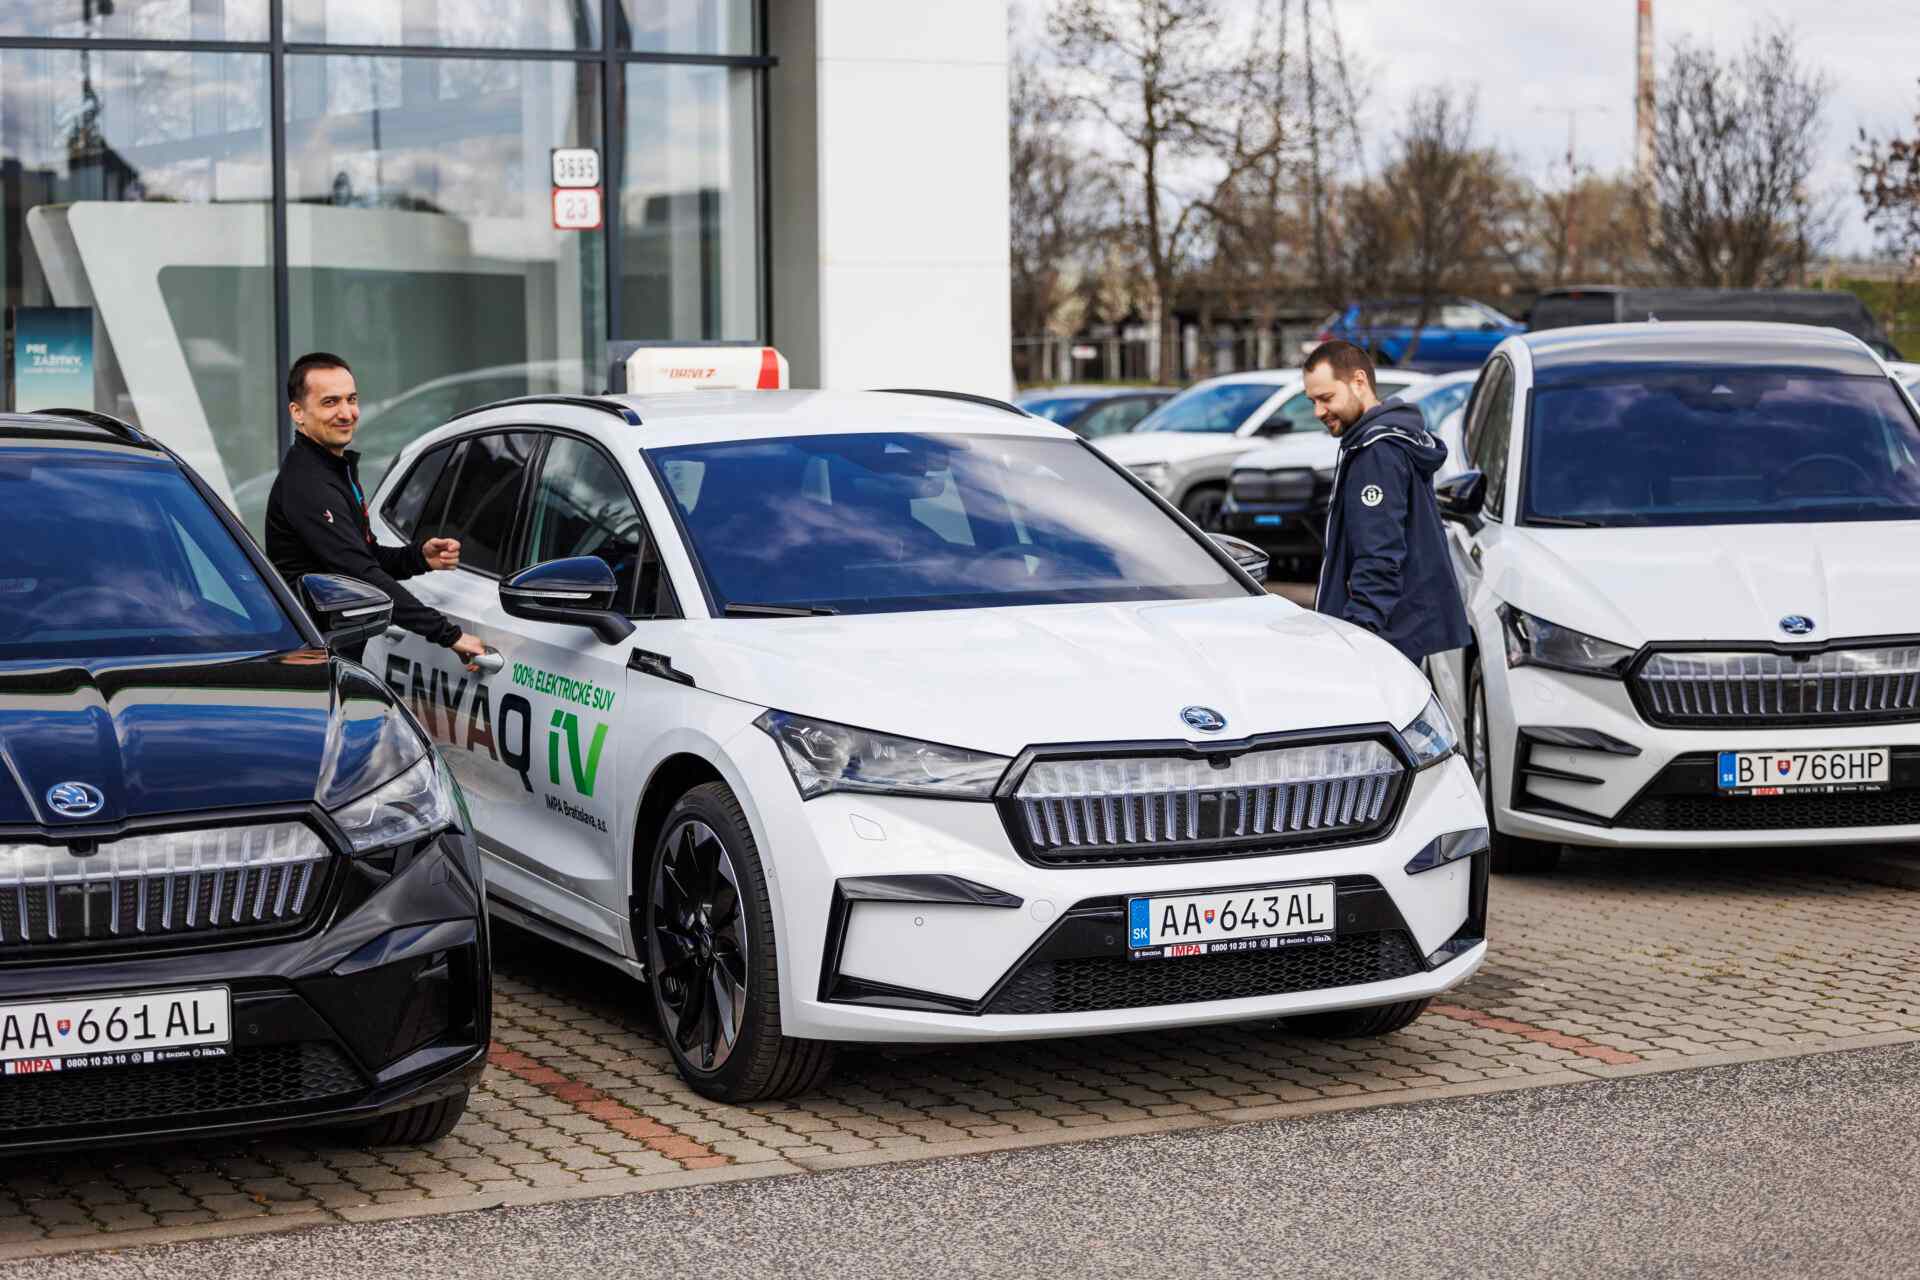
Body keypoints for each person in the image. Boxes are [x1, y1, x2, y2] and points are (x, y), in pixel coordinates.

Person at [264, 352, 485, 667]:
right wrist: (449, 635)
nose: (347, 413)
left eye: (351, 399)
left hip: (333, 655)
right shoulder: (308, 485)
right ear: (297, 413)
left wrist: (418, 558)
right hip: (313, 662)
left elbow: (363, 556)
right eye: (330, 403)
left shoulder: (333, 468)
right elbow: (360, 573)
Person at [1303, 339, 1470, 667]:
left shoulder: (1376, 452)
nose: (1318, 412)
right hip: (1399, 629)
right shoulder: (1386, 440)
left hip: (1383, 637)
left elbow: (1379, 553)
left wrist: (1358, 633)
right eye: (1312, 401)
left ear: (1359, 382)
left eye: (1326, 398)